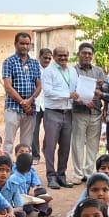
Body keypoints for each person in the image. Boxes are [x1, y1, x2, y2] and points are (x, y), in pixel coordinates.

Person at [41, 45, 77, 189]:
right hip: (52, 112)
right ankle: (51, 176)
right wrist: (67, 95)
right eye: (60, 55)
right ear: (54, 56)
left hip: (68, 113)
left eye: (65, 55)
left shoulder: (73, 71)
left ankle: (61, 175)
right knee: (50, 146)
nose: (63, 58)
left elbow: (75, 89)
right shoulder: (49, 71)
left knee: (65, 146)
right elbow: (48, 92)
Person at [1, 32, 41, 156]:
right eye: (22, 43)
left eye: (27, 44)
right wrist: (23, 102)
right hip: (13, 108)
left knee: (26, 143)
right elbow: (8, 86)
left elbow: (39, 85)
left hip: (30, 109)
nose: (25, 46)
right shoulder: (9, 62)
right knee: (9, 142)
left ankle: (24, 169)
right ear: (15, 44)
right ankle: (6, 168)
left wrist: (30, 100)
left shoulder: (34, 63)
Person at [70, 42, 106, 181]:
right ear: (79, 54)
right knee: (78, 143)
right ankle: (78, 173)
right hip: (79, 112)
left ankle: (89, 172)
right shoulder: (72, 71)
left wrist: (102, 86)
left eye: (89, 53)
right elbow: (71, 90)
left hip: (96, 112)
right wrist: (81, 100)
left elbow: (106, 90)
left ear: (92, 56)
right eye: (84, 53)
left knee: (93, 144)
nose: (87, 55)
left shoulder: (99, 71)